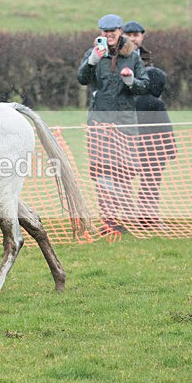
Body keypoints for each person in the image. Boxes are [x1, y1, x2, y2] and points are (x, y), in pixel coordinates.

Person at [77, 14, 149, 235]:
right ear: (101, 33)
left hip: (125, 124)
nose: (108, 35)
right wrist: (92, 62)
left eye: (113, 31)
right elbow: (82, 79)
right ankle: (109, 220)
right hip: (99, 123)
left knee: (124, 173)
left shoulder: (133, 57)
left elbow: (144, 86)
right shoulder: (93, 53)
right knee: (103, 173)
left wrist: (131, 82)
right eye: (104, 31)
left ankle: (124, 218)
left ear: (120, 32)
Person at [134, 67, 177, 230]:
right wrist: (171, 150)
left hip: (138, 148)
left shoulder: (135, 101)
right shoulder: (156, 104)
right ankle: (150, 219)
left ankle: (141, 217)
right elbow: (165, 127)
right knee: (151, 185)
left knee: (144, 184)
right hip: (155, 151)